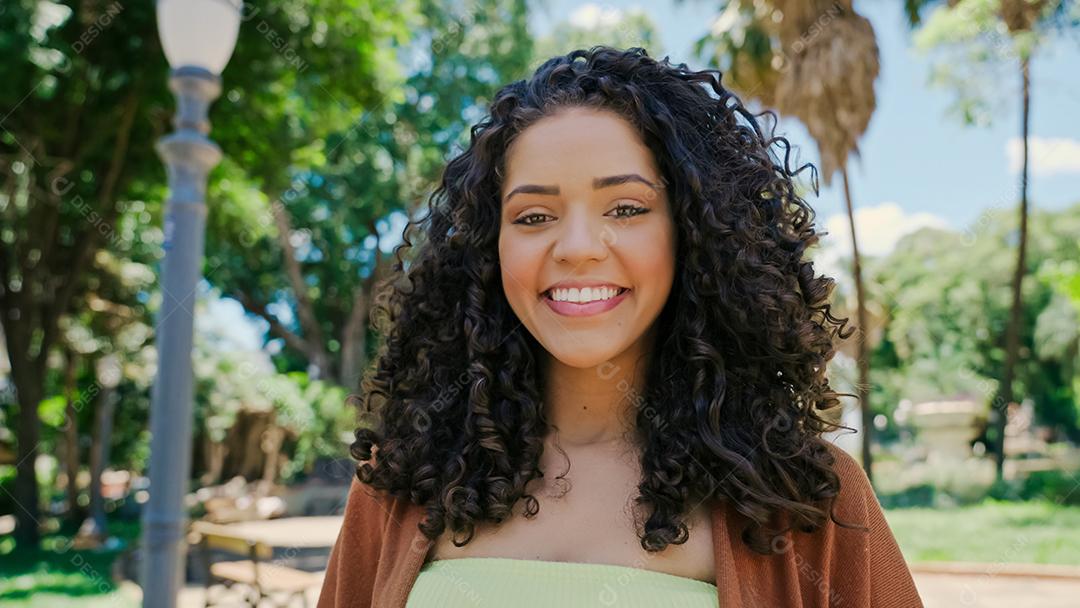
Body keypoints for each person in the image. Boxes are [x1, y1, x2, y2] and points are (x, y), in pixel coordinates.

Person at [317, 46, 923, 607]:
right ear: (488, 248)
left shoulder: (805, 495)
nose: (578, 247)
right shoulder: (397, 482)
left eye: (627, 208)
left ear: (692, 233)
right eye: (533, 215)